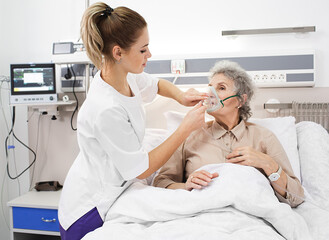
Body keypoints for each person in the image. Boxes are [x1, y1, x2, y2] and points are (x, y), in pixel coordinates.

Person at [58, 2, 207, 240]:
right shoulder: (105, 108)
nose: (149, 55)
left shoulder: (123, 76)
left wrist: (181, 96)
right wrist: (185, 128)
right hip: (89, 208)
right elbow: (142, 169)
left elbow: (156, 84)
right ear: (118, 53)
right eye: (143, 50)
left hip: (114, 188)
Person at [153, 60, 304, 208]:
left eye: (221, 88)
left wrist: (267, 163)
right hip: (201, 215)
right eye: (210, 88)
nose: (210, 94)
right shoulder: (189, 136)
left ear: (240, 100)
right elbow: (161, 183)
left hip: (251, 218)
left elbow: (296, 197)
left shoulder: (264, 137)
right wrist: (186, 185)